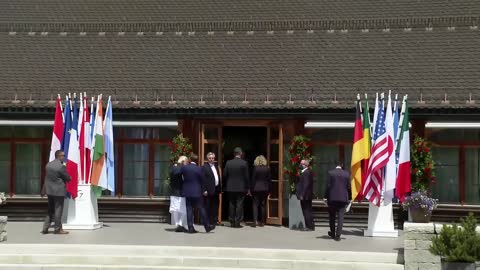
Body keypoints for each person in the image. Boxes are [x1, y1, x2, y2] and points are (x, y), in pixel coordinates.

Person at [181, 153, 215, 234]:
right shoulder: (199, 169)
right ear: (197, 160)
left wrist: (182, 163)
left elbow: (179, 173)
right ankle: (207, 227)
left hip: (187, 192)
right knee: (201, 208)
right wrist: (204, 190)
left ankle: (190, 228)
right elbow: (203, 181)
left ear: (189, 160)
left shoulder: (184, 168)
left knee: (189, 209)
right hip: (197, 192)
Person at [41, 150, 71, 234]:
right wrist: (70, 177)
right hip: (58, 192)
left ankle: (45, 228)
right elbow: (67, 178)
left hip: (50, 191)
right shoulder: (61, 166)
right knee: (58, 210)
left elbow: (47, 178)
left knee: (50, 210)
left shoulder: (48, 165)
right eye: (63, 156)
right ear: (59, 156)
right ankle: (57, 229)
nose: (64, 157)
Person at [324, 160, 351, 241]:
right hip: (343, 198)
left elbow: (328, 186)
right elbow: (348, 187)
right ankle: (338, 235)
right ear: (342, 165)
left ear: (335, 164)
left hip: (332, 198)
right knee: (341, 217)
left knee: (332, 216)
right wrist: (349, 198)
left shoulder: (331, 173)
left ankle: (332, 233)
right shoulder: (346, 174)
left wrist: (325, 197)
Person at [223, 147, 249, 228]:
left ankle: (231, 221)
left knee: (231, 204)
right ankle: (237, 222)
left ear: (234, 154)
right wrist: (248, 187)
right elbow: (246, 177)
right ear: (240, 154)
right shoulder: (244, 163)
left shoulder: (228, 163)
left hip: (230, 187)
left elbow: (224, 175)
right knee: (239, 205)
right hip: (241, 187)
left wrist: (225, 184)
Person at [250, 155, 271, 227]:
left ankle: (255, 221)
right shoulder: (267, 169)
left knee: (255, 205)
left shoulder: (255, 169)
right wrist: (269, 190)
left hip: (256, 188)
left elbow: (253, 180)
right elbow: (269, 180)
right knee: (263, 205)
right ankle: (262, 222)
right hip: (265, 189)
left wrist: (250, 189)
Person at [169, 156, 188, 232]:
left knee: (175, 209)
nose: (186, 164)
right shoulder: (182, 168)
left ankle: (178, 224)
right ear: (183, 161)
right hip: (180, 191)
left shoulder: (173, 166)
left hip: (173, 191)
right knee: (183, 209)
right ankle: (179, 224)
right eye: (186, 162)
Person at [202, 152, 221, 225]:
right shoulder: (204, 167)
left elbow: (217, 176)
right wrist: (204, 190)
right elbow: (203, 180)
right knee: (208, 206)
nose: (211, 159)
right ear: (207, 159)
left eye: (212, 158)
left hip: (216, 189)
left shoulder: (216, 165)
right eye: (210, 158)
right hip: (208, 190)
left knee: (216, 205)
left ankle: (214, 220)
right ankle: (208, 221)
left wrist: (220, 188)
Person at [295, 159, 315, 231]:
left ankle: (309, 226)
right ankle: (311, 225)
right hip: (307, 195)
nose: (300, 165)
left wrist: (302, 194)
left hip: (305, 196)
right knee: (308, 210)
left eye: (301, 163)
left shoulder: (306, 173)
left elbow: (306, 185)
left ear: (305, 165)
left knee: (306, 211)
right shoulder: (306, 172)